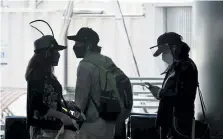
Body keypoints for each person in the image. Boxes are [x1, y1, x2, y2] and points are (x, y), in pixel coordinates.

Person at [67, 27, 120, 139]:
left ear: (88, 45)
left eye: (78, 43)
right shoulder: (107, 60)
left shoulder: (85, 65)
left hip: (91, 125)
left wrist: (75, 122)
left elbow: (81, 100)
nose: (75, 46)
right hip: (109, 122)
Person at [148, 32, 198, 139]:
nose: (163, 56)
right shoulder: (175, 65)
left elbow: (183, 97)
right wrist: (158, 93)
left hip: (178, 124)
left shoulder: (186, 67)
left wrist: (160, 92)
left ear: (174, 48)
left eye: (164, 52)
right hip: (169, 122)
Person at [25, 35, 75, 139]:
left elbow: (49, 101)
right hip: (41, 130)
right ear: (46, 54)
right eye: (55, 51)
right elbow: (37, 104)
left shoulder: (49, 76)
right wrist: (61, 115)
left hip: (52, 128)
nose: (59, 55)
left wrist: (69, 106)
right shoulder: (36, 75)